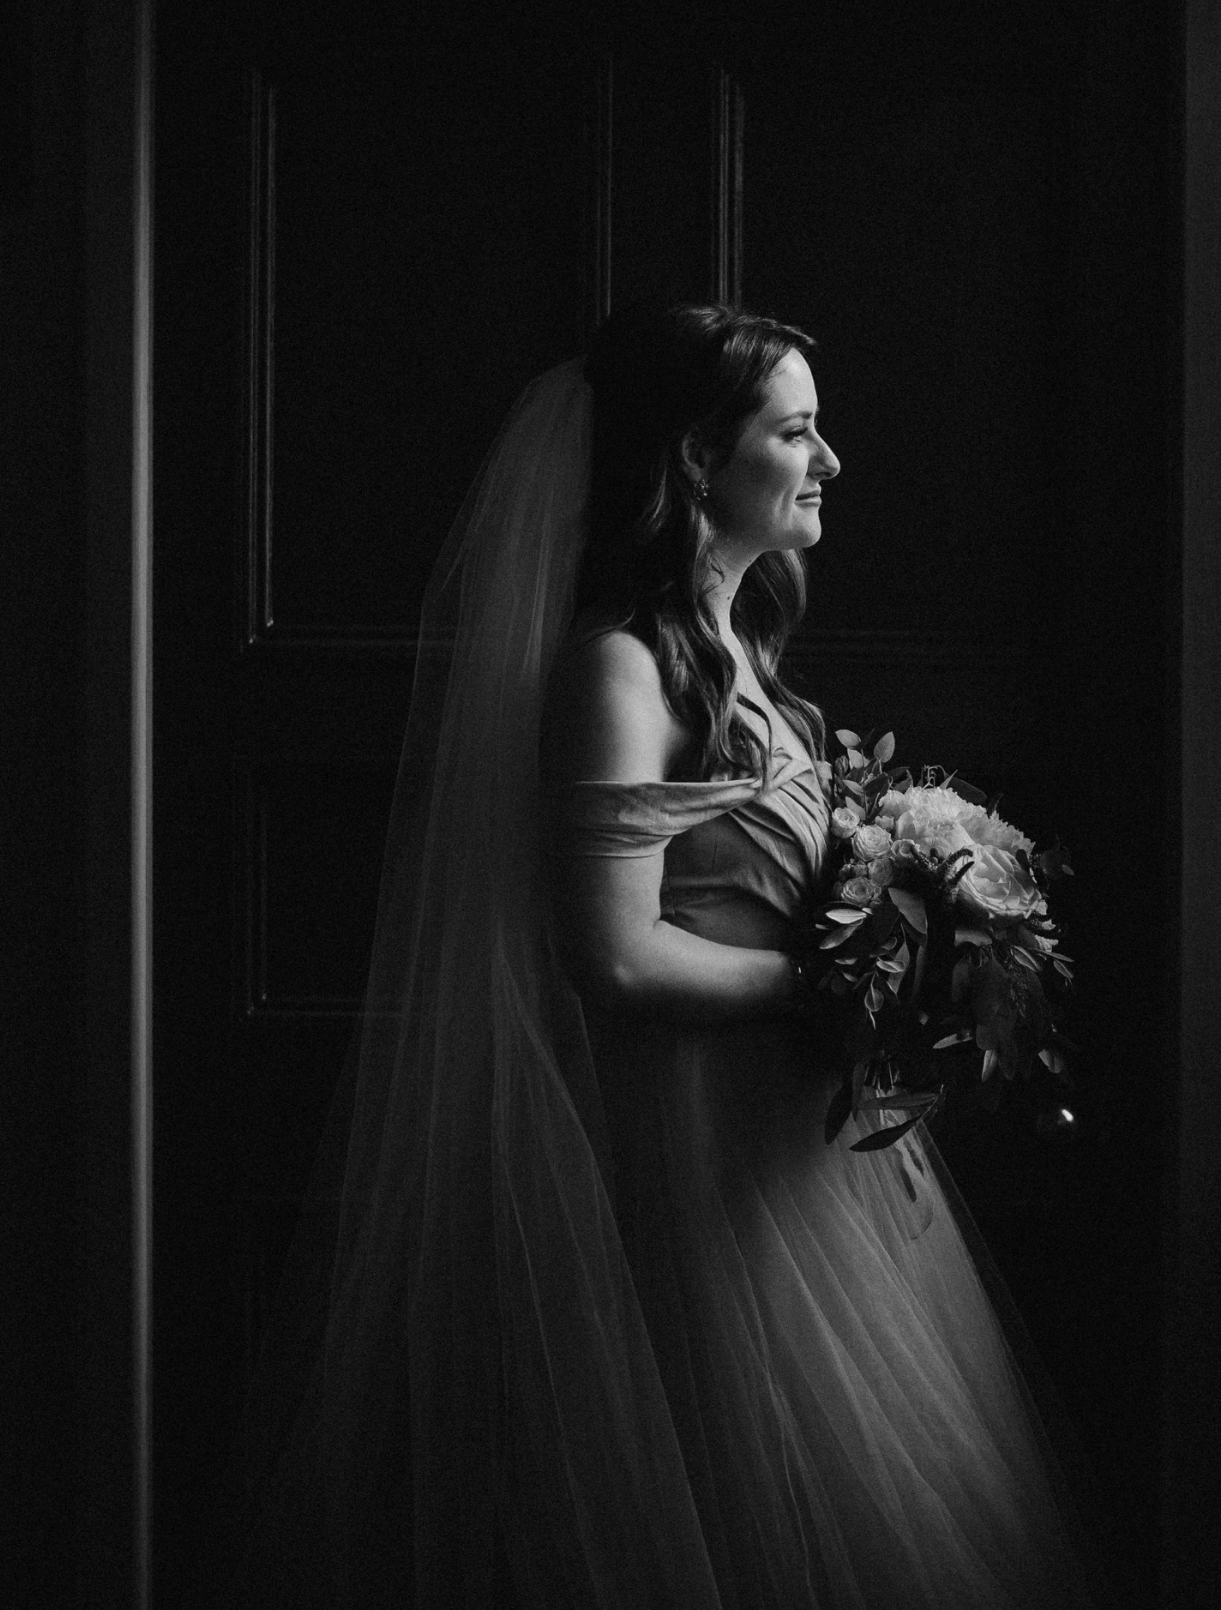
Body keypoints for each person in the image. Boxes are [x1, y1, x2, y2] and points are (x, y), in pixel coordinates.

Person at [235, 303, 1101, 1609]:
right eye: (795, 433)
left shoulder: (744, 655)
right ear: (696, 458)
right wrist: (846, 985)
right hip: (677, 1154)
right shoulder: (620, 670)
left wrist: (909, 928)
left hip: (778, 1154)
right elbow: (616, 956)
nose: (829, 461)